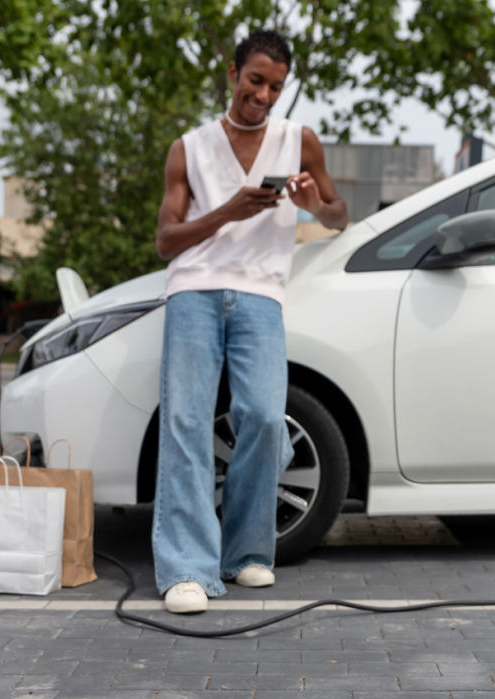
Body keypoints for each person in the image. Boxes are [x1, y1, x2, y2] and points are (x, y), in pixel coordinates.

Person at [152, 30, 348, 613]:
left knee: (264, 417)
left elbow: (339, 215)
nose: (263, 95)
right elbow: (166, 242)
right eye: (255, 80)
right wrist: (230, 210)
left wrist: (315, 205)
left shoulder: (299, 141)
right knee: (186, 423)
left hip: (261, 296)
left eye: (276, 87)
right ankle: (186, 568)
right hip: (194, 292)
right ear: (232, 71)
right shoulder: (188, 148)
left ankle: (245, 553)